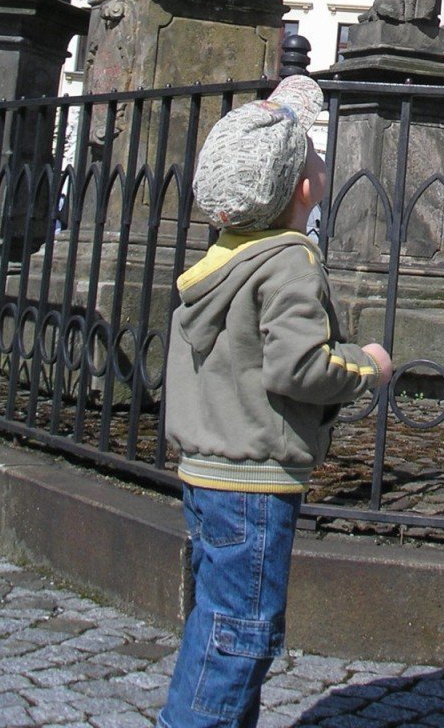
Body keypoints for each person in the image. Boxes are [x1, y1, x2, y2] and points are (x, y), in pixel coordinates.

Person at [158, 74, 392, 728]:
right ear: (301, 189)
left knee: (219, 622)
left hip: (207, 471)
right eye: (315, 159)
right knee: (241, 635)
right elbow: (298, 367)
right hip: (256, 480)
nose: (321, 165)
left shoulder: (224, 257)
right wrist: (365, 368)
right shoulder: (288, 259)